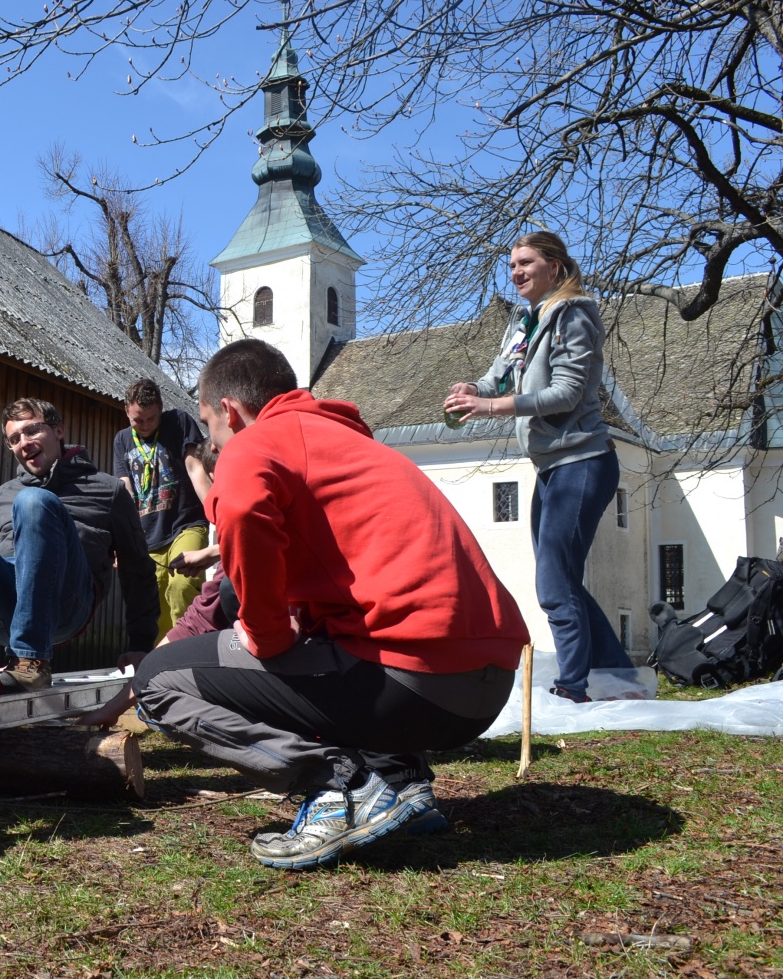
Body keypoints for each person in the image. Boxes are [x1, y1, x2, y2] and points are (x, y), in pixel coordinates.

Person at [125, 339, 528, 870]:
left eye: (208, 426)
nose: (212, 443)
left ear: (230, 410)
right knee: (320, 646)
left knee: (157, 682)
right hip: (487, 682)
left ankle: (344, 787)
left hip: (414, 680)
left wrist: (264, 636)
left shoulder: (255, 443)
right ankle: (404, 784)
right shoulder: (347, 444)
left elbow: (242, 514)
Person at [443, 230, 632, 704]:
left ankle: (573, 688)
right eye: (512, 265)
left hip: (583, 462)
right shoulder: (523, 320)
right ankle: (620, 680)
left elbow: (566, 393)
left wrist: (492, 409)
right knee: (563, 577)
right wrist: (473, 392)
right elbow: (497, 374)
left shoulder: (574, 314)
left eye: (526, 262)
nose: (516, 272)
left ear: (555, 266)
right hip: (551, 467)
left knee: (552, 582)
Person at [0, 398, 159, 691]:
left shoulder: (108, 491)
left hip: (67, 605)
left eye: (32, 431)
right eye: (14, 439)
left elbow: (137, 571)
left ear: (59, 431)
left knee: (34, 502)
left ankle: (31, 660)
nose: (23, 443)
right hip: (6, 611)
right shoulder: (1, 496)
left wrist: (142, 644)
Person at [112, 378, 213, 638]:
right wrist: (120, 540)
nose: (145, 426)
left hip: (185, 523)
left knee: (183, 584)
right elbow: (125, 491)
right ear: (127, 412)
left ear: (161, 409)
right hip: (147, 537)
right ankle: (161, 664)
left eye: (151, 418)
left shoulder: (179, 422)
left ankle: (193, 651)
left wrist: (218, 511)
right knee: (152, 606)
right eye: (138, 420)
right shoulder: (122, 440)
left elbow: (195, 468)